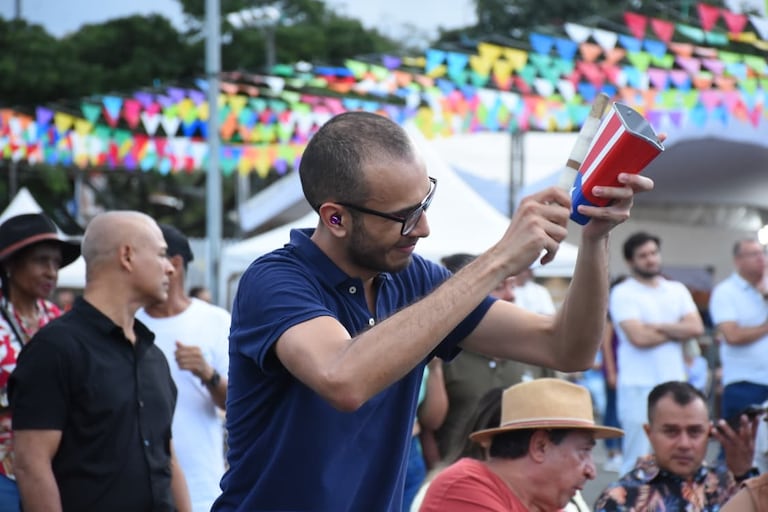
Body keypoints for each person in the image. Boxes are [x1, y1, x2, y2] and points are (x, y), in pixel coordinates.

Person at [213, 111, 654, 511]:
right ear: (335, 219)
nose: (423, 228)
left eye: (425, 203)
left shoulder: (415, 278)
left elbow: (567, 348)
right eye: (404, 215)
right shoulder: (274, 281)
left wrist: (596, 238)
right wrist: (498, 258)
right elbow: (343, 378)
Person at [9, 211, 191, 512]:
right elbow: (32, 465)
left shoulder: (152, 355)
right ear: (127, 256)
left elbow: (167, 456)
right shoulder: (54, 349)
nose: (170, 268)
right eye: (161, 254)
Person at [136, 225, 230, 512]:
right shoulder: (128, 323)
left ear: (173, 264)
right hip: (139, 485)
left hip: (201, 484)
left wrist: (208, 374)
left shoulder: (216, 320)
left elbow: (239, 404)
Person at [419, 378, 621, 511]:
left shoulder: (542, 501)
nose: (591, 471)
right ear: (540, 446)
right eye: (583, 451)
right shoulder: (464, 487)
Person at [436, 253, 552, 461]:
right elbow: (429, 427)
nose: (510, 295)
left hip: (523, 479)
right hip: (456, 474)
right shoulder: (443, 353)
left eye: (513, 286)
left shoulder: (534, 350)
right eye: (499, 287)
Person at [0, 213, 80, 512]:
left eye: (55, 263)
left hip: (56, 466)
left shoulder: (58, 319)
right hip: (4, 473)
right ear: (10, 265)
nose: (51, 272)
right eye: (40, 261)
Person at [609, 231, 705, 475]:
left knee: (678, 457)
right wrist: (677, 329)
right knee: (637, 460)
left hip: (675, 386)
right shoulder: (622, 292)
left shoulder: (677, 290)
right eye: (643, 255)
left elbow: (696, 327)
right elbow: (638, 338)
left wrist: (658, 326)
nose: (651, 259)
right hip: (637, 387)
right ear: (631, 261)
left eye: (653, 253)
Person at [594, 380, 758, 511]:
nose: (684, 444)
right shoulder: (621, 497)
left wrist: (742, 475)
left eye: (694, 432)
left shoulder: (729, 484)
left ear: (709, 432)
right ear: (649, 432)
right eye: (671, 432)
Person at [709, 239, 768, 425]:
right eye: (753, 254)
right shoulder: (725, 292)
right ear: (737, 260)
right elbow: (732, 335)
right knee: (739, 446)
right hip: (744, 382)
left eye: (762, 252)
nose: (761, 258)